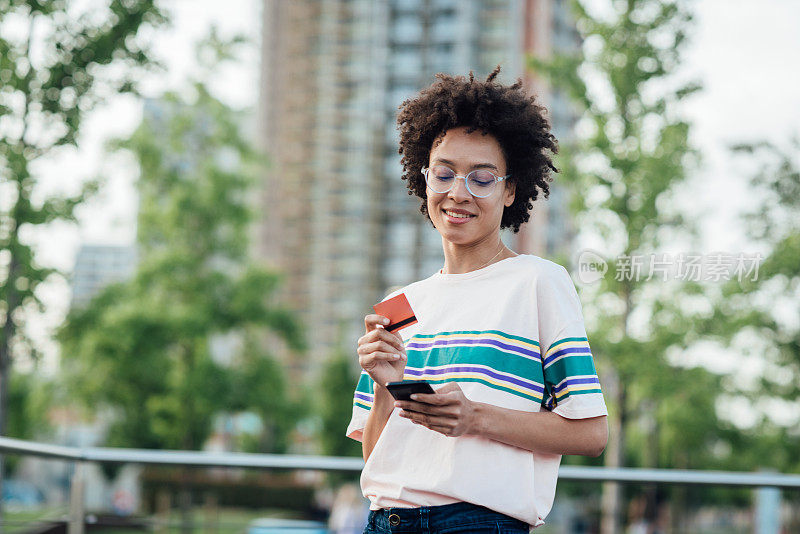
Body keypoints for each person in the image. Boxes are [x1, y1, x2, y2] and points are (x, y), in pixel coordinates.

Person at [346, 67, 608, 533]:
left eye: (481, 179)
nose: (457, 193)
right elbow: (377, 458)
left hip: (477, 524)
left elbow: (590, 433)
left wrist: (475, 418)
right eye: (443, 174)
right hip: (385, 522)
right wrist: (387, 385)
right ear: (423, 179)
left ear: (510, 190)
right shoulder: (398, 303)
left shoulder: (537, 282)